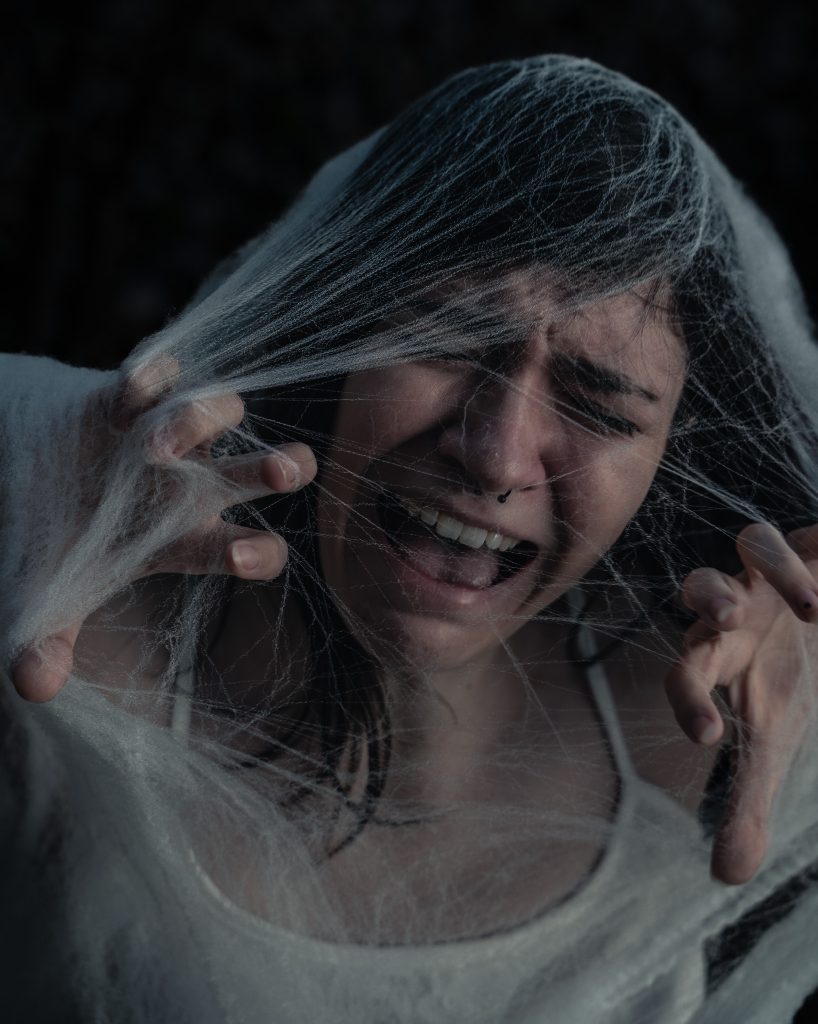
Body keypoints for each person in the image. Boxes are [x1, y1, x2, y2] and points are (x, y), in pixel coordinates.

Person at [3, 55, 818, 1022]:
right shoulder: (64, 642)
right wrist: (31, 462)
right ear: (331, 327)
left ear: (674, 457)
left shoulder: (719, 729)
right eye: (444, 342)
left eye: (600, 406)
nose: (495, 453)